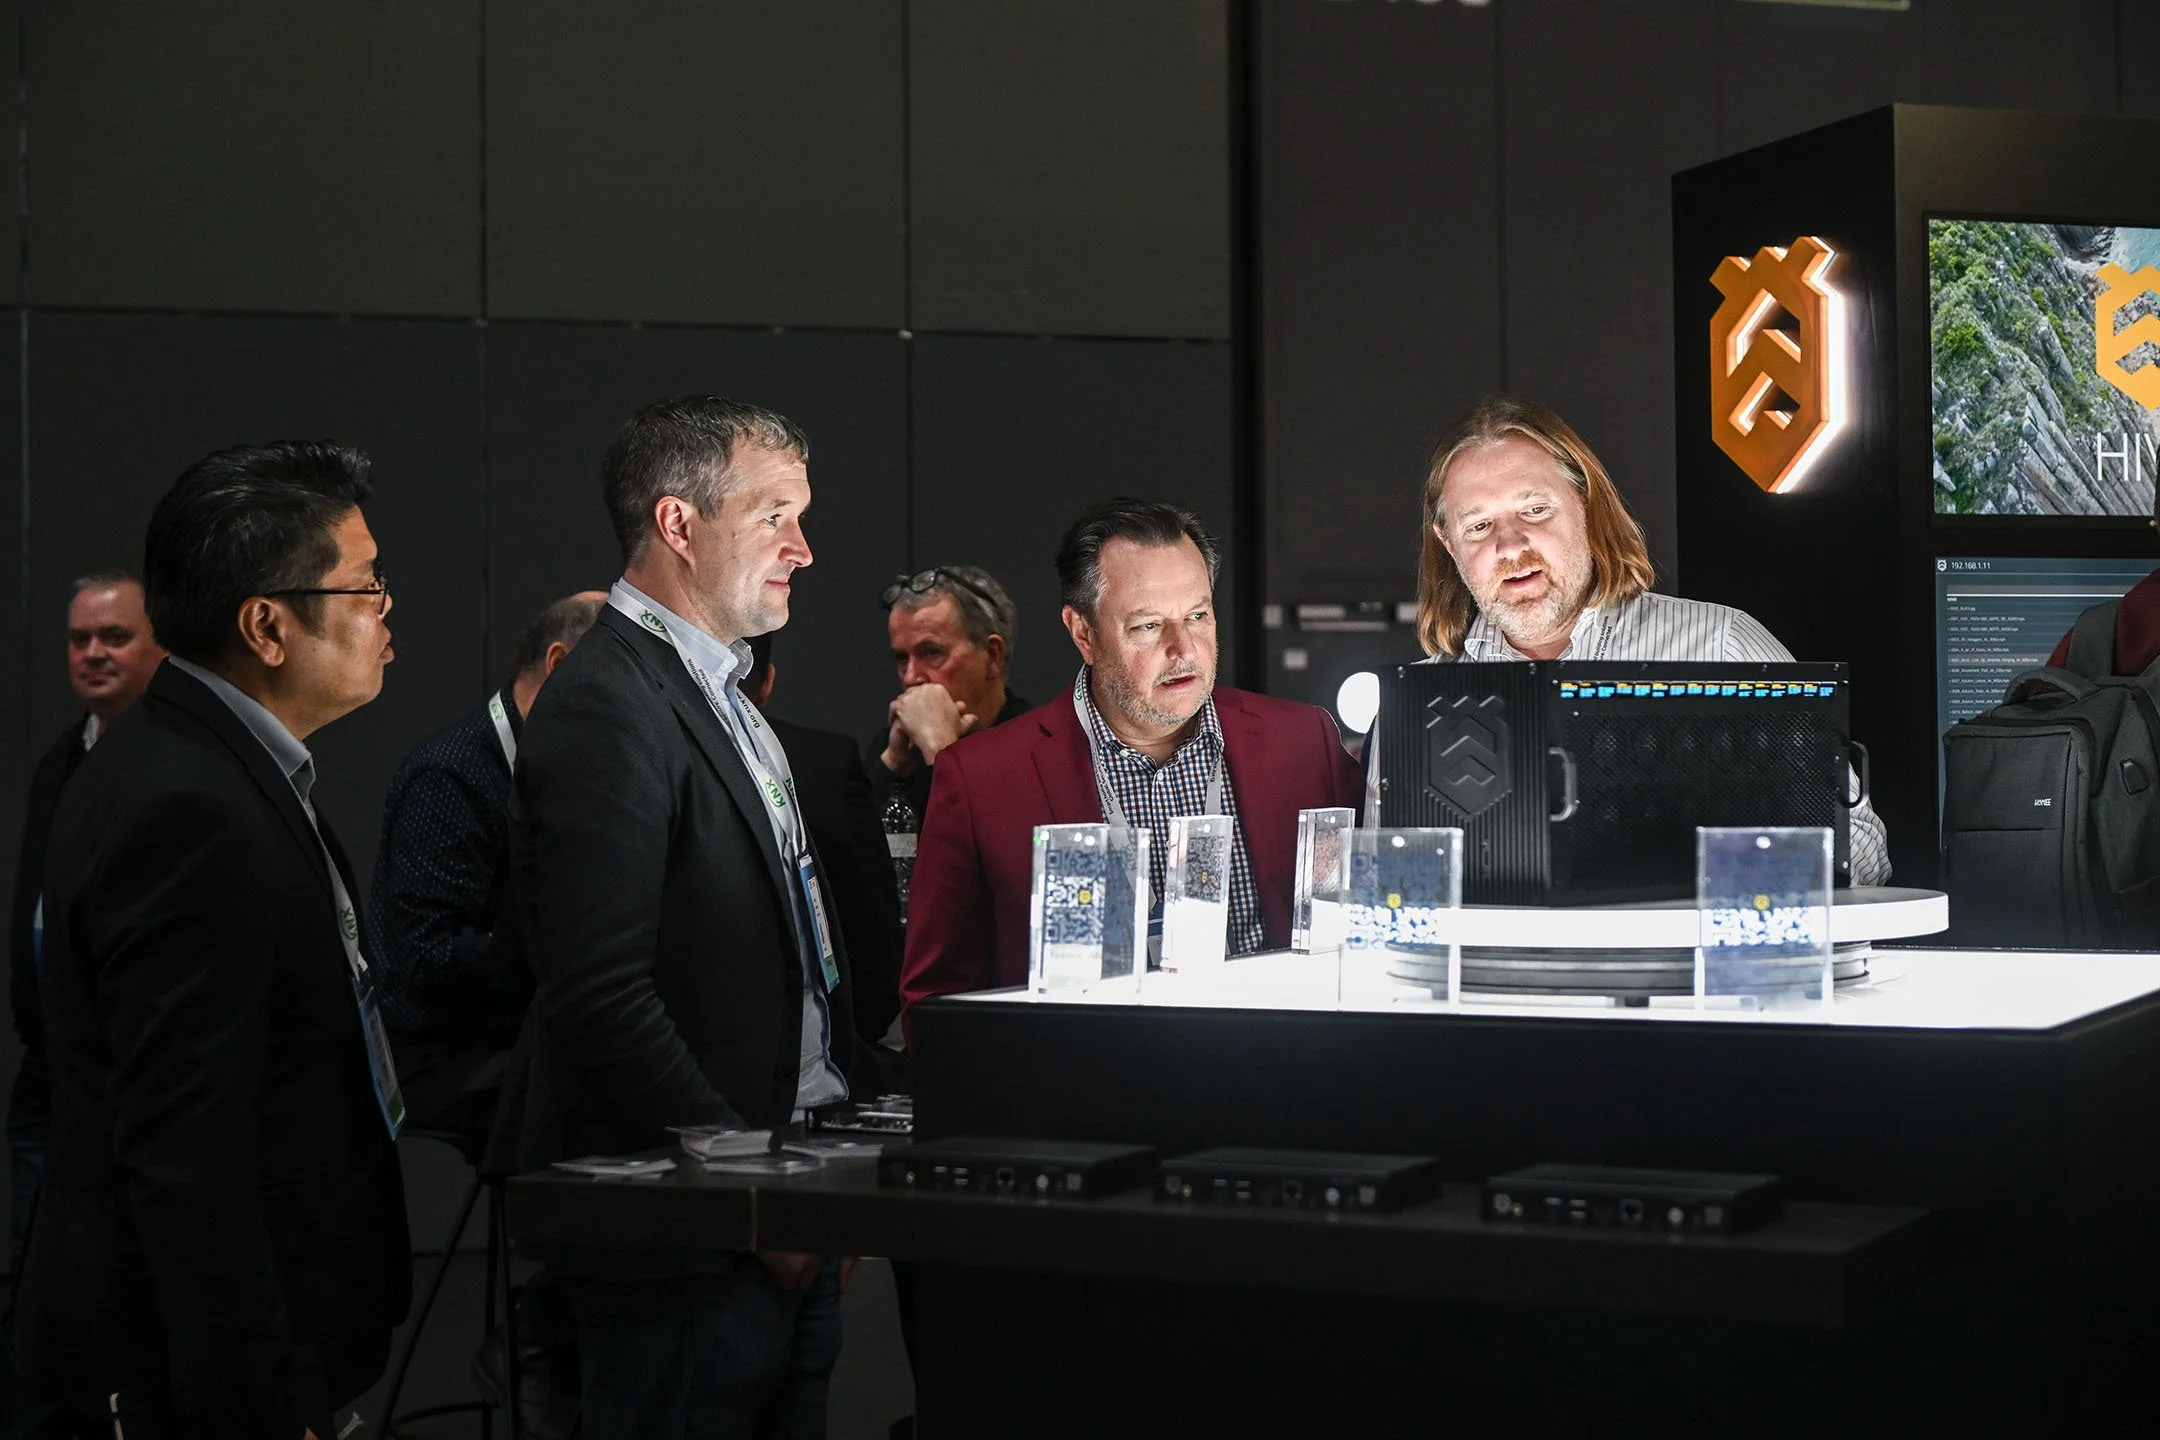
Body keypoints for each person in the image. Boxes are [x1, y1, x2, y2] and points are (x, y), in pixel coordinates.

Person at [13, 442, 411, 1438]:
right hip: (207, 1378)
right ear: (268, 624)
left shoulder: (211, 764)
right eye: (365, 585)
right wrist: (258, 1402)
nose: (386, 608)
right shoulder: (190, 805)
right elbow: (187, 1153)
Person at [490, 395, 856, 1438]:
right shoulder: (610, 700)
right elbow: (601, 992)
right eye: (774, 514)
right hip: (692, 1232)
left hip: (774, 1195)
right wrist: (749, 1194)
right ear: (678, 524)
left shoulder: (722, 695)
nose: (805, 547)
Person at [898, 498, 1366, 1042]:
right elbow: (935, 1005)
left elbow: (1368, 942)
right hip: (1089, 1107)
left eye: (1198, 615)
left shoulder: (1303, 744)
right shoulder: (984, 779)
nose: (1183, 649)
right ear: (1084, 634)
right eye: (1147, 625)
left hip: (1281, 1091)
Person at [1414, 394, 1891, 883]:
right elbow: (1389, 891)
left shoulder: (1722, 649)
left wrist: (1727, 874)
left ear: (1586, 505)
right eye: (1479, 525)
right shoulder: (1417, 711)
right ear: (1449, 544)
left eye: (1535, 509)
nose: (1510, 545)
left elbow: (1861, 848)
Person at [368, 589, 606, 1146]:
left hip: (526, 1031)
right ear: (561, 666)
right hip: (437, 1050)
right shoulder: (450, 775)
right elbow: (424, 962)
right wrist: (564, 952)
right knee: (598, 1099)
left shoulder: (573, 766)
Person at [7, 571, 165, 1274]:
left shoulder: (177, 761)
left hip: (131, 1066)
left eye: (114, 637)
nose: (92, 653)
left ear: (159, 646)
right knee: (35, 1250)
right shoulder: (61, 762)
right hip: (51, 1060)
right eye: (79, 639)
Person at [746, 633, 909, 1067]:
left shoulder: (626, 763)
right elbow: (878, 959)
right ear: (768, 683)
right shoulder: (826, 764)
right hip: (814, 1068)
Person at [866, 565, 1030, 824]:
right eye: (901, 658)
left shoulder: (1037, 747)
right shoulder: (894, 745)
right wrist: (894, 763)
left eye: (932, 653)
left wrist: (940, 749)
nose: (911, 678)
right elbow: (847, 856)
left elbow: (1001, 852)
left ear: (992, 656)